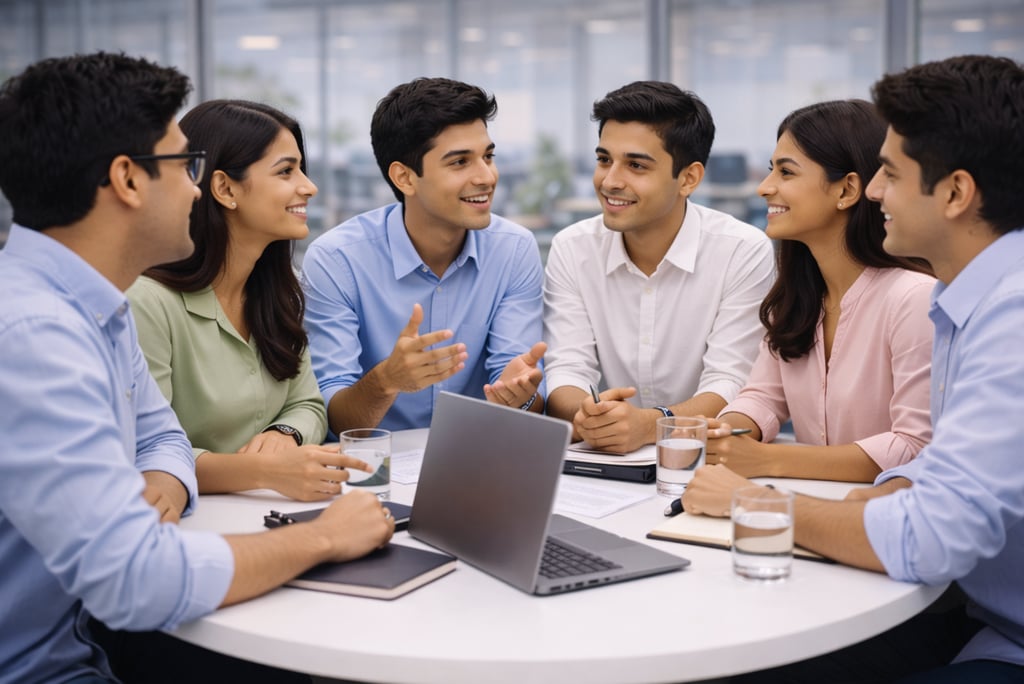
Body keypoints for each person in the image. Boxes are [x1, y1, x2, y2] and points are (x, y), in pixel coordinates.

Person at [0, 53, 393, 684]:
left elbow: (160, 437)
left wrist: (169, 478)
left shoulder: (94, 304)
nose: (195, 187)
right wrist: (323, 537)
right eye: (184, 165)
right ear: (128, 180)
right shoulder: (36, 336)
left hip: (88, 640)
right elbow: (137, 579)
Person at [684, 55, 1024, 682]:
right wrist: (903, 477)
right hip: (985, 622)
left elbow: (929, 536)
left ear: (955, 192)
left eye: (889, 174)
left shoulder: (1000, 315)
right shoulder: (962, 303)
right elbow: (936, 457)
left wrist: (758, 499)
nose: (873, 191)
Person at [127, 99, 370, 502]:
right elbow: (146, 450)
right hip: (190, 525)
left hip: (264, 510)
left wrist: (285, 433)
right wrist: (261, 471)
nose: (308, 187)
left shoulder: (279, 290)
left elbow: (308, 404)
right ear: (224, 188)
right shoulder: (147, 303)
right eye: (286, 171)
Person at [703, 100, 934, 483]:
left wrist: (766, 461)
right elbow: (762, 397)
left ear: (847, 189)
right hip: (806, 508)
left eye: (786, 172)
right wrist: (728, 433)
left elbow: (913, 447)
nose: (764, 187)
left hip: (876, 524)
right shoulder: (797, 298)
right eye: (770, 170)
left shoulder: (913, 300)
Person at [302, 77, 546, 435]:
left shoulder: (514, 249)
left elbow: (526, 394)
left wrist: (519, 396)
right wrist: (387, 379)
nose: (487, 176)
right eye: (460, 162)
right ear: (404, 177)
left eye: (488, 156)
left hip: (475, 457)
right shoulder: (336, 260)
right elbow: (335, 420)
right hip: (373, 467)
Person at [543, 81, 775, 453]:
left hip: (704, 459)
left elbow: (731, 381)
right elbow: (567, 369)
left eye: (635, 165)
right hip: (602, 460)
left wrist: (652, 425)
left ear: (689, 178)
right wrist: (588, 416)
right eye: (604, 160)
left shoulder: (742, 250)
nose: (610, 181)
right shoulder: (572, 248)